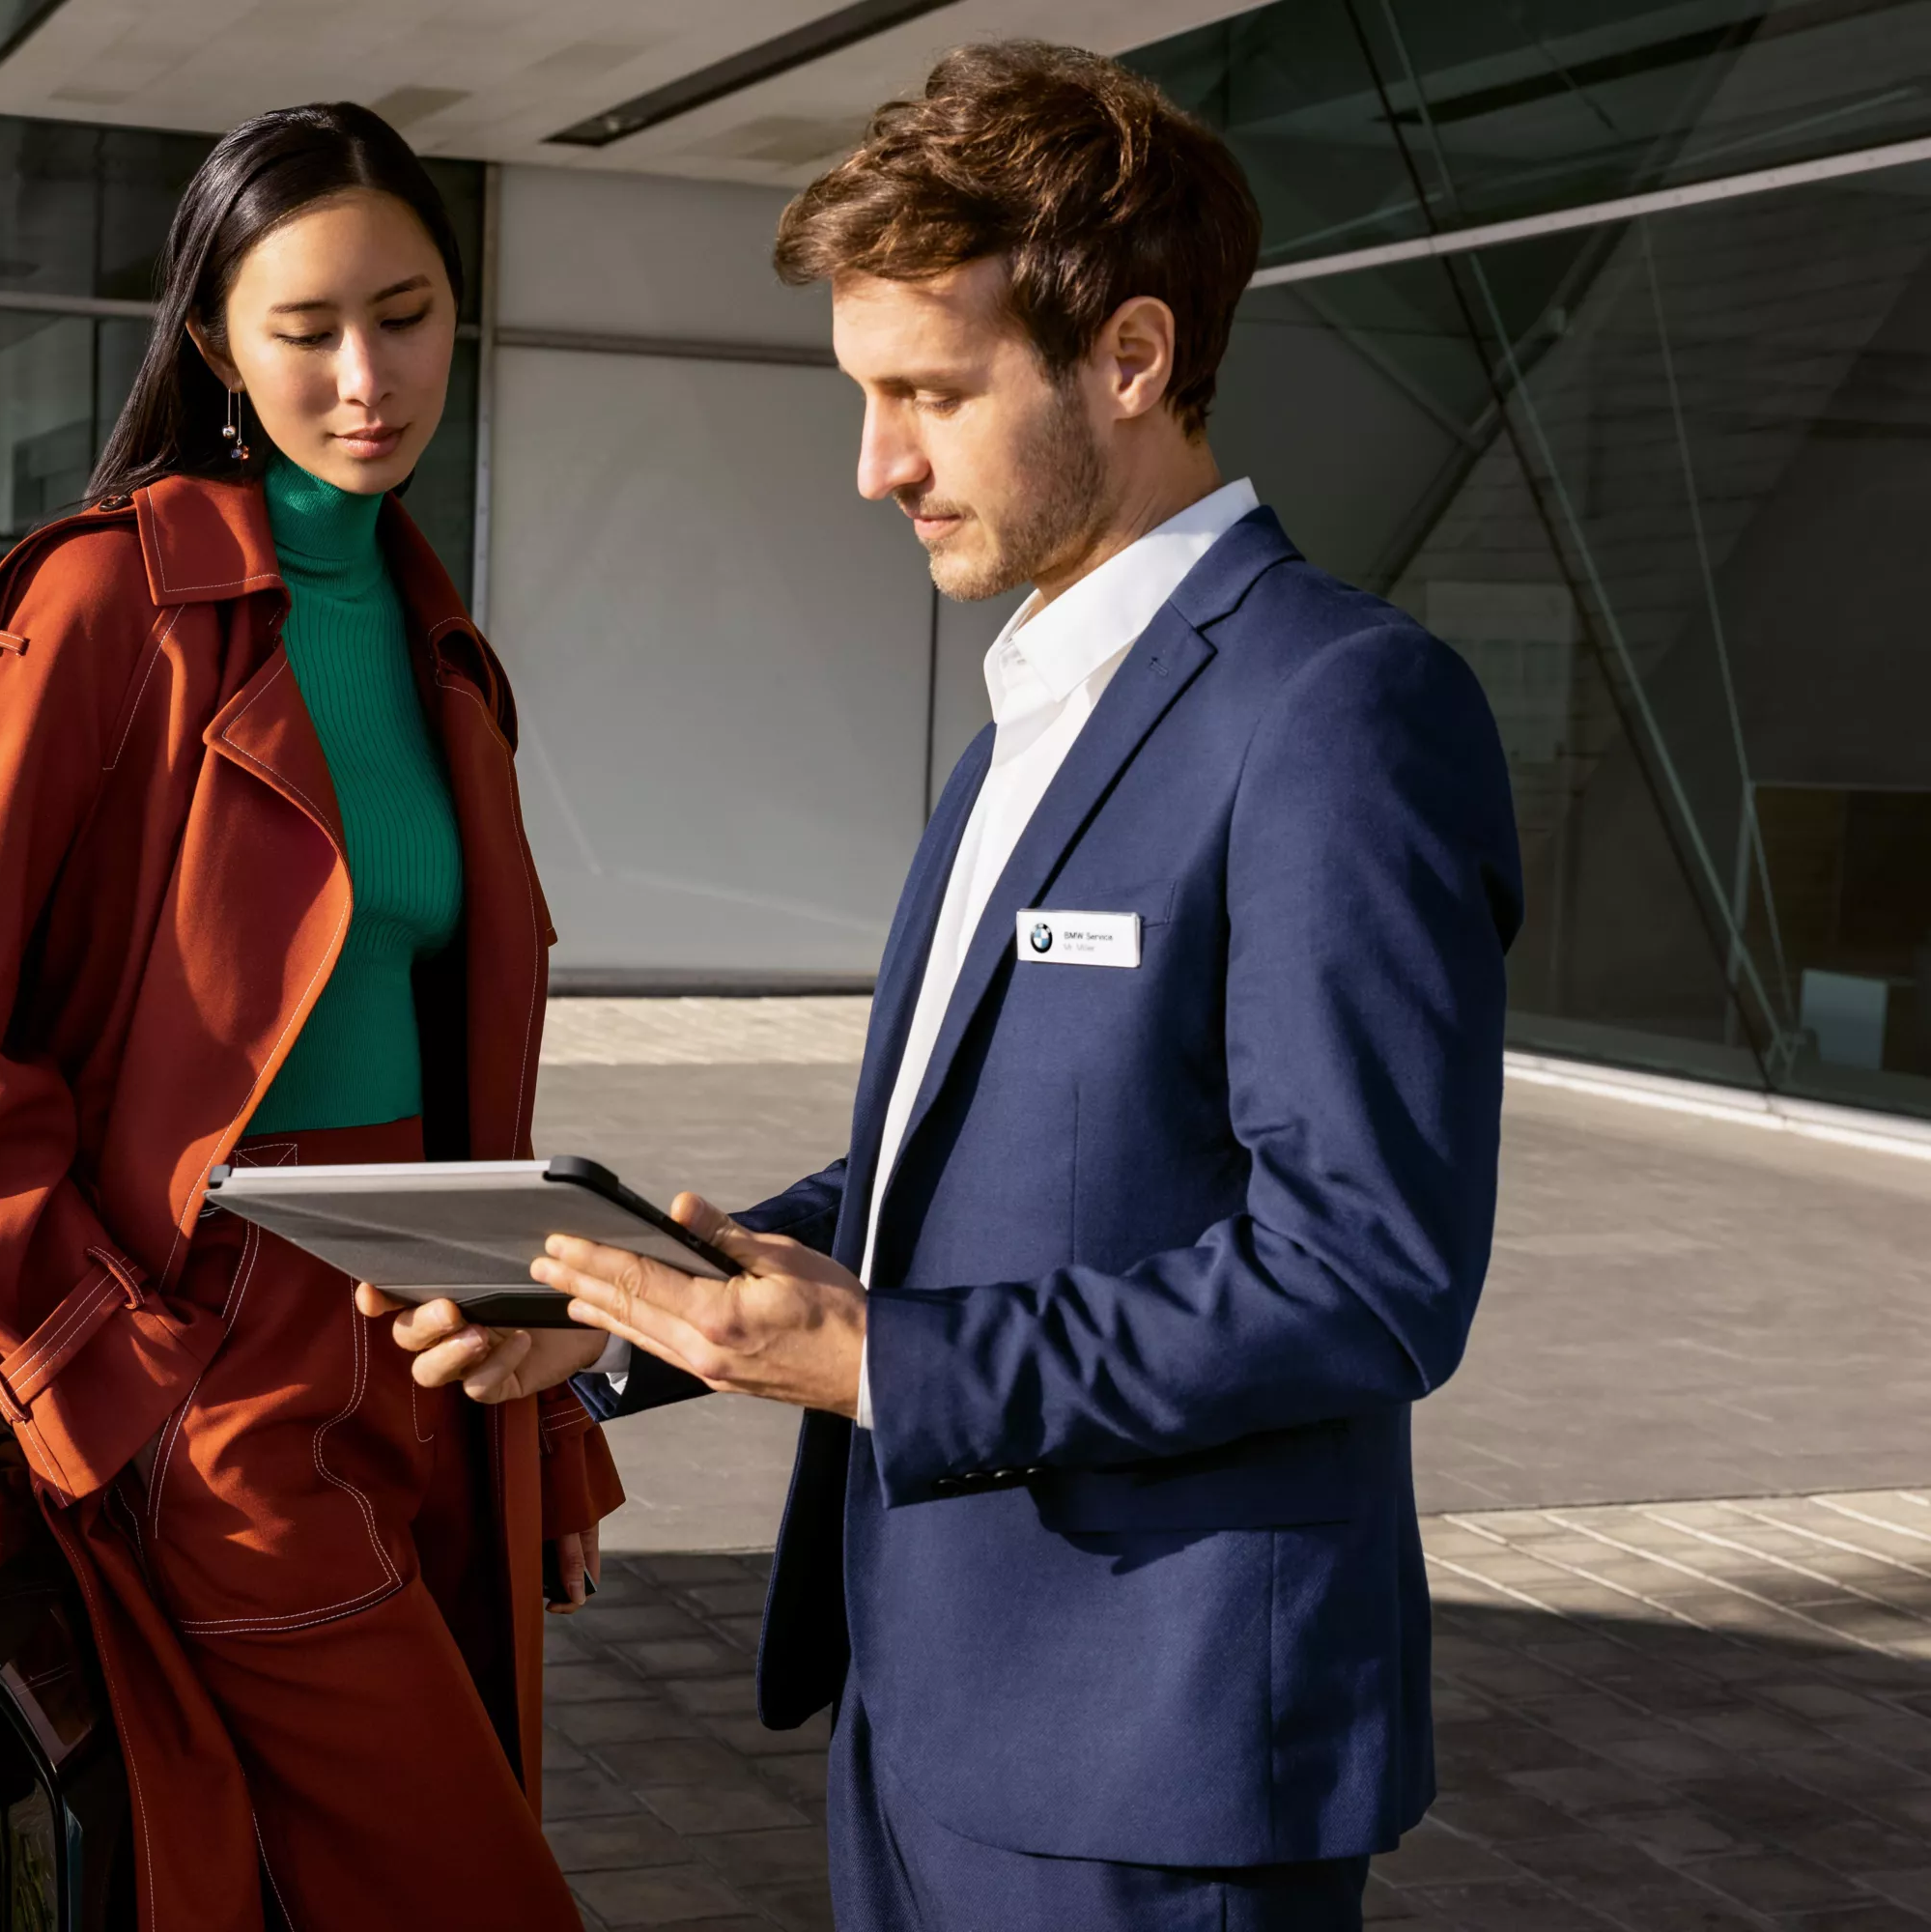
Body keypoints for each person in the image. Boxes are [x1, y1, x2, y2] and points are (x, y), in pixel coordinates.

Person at [379, 43, 1522, 1932]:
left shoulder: (1336, 710)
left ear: (1132, 359)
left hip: (1150, 1768)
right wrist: (645, 1314)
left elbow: (1362, 1278)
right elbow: (943, 1178)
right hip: (926, 1705)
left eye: (926, 393)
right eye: (861, 394)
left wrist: (888, 1364)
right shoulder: (1027, 717)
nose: (870, 464)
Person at [0, 104, 619, 1932]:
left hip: (440, 1345)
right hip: (215, 1369)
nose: (369, 376)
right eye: (307, 327)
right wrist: (127, 1392)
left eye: (411, 311)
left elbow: (460, 1065)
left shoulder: (444, 644)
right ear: (213, 341)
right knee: (470, 1895)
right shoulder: (98, 607)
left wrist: (544, 1368)